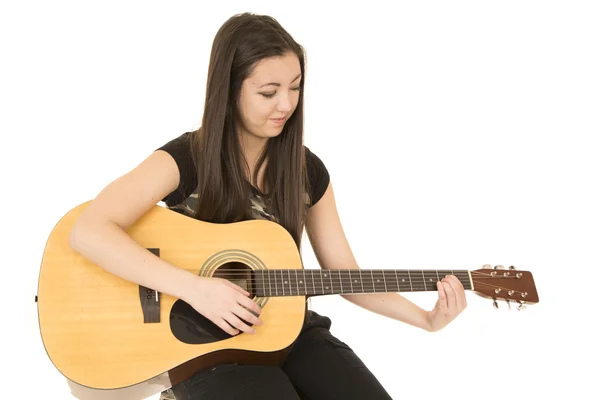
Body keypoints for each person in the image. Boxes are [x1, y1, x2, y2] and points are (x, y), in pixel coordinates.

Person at [68, 12, 467, 400]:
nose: (286, 104)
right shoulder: (187, 158)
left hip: (290, 333)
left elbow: (345, 274)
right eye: (268, 92)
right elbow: (89, 230)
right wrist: (197, 289)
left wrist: (426, 320)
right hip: (205, 349)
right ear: (229, 88)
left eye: (295, 87)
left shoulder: (306, 171)